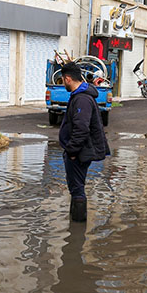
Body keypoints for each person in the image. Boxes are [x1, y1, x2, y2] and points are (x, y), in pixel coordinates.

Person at [59, 62, 110, 222]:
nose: (62, 83)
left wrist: (72, 151)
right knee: (76, 187)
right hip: (78, 151)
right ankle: (74, 223)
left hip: (79, 152)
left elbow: (82, 128)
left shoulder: (82, 99)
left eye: (62, 80)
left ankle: (77, 231)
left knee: (77, 189)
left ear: (68, 79)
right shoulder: (80, 96)